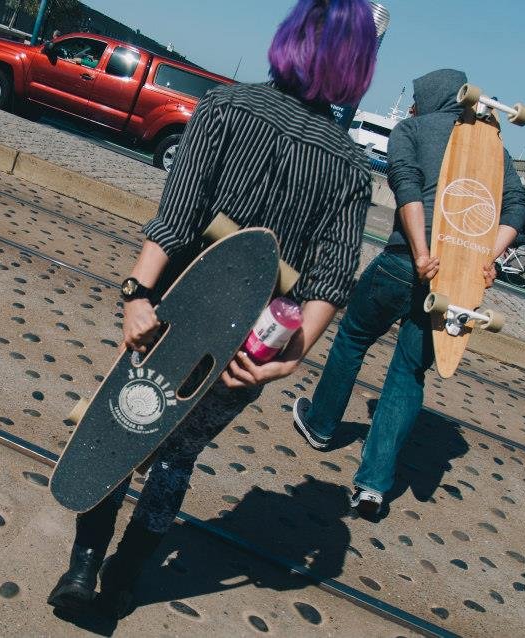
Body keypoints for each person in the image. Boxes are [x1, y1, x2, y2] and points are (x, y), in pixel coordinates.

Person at [47, 0, 379, 620]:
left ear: (292, 38)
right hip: (251, 345)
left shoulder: (223, 110)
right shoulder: (350, 167)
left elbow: (176, 222)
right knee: (177, 455)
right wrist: (288, 362)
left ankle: (83, 570)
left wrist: (137, 296)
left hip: (176, 309)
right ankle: (124, 579)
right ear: (357, 65)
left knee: (122, 425)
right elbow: (330, 283)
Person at [292, 68, 525, 520]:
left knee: (354, 337)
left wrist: (422, 253)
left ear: (426, 99)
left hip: (404, 262)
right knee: (407, 373)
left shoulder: (412, 129)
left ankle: (321, 425)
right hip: (451, 282)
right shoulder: (491, 144)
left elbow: (405, 187)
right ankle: (373, 488)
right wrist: (486, 260)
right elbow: (517, 207)